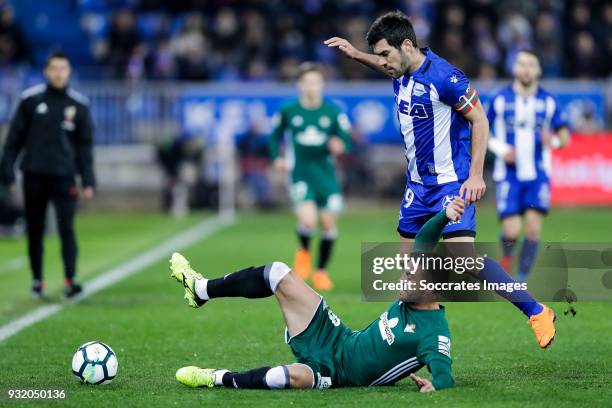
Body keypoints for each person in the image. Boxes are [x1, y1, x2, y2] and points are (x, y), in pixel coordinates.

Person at [325, 11, 556, 348]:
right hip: (416, 189)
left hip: (450, 184)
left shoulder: (446, 78)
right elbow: (385, 65)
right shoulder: (399, 71)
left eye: (386, 54)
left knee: (464, 259)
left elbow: (479, 119)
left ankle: (536, 311)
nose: (383, 63)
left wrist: (476, 175)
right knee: (411, 273)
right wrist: (358, 56)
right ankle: (421, 344)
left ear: (407, 45)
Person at [169, 198, 467, 391]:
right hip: (336, 337)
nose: (402, 280)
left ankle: (216, 377)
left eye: (410, 278)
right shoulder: (421, 277)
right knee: (278, 272)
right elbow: (426, 237)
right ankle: (200, 290)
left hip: (336, 373)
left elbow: (444, 375)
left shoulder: (434, 335)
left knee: (279, 379)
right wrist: (445, 214)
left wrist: (434, 387)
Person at [0, 51, 95, 298]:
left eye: (63, 68)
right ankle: (37, 281)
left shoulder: (79, 105)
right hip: (34, 174)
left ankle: (70, 279)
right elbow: (13, 141)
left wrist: (88, 180)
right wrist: (7, 173)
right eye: (54, 68)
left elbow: (85, 148)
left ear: (69, 71)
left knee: (67, 229)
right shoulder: (30, 100)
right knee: (35, 230)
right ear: (46, 71)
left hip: (64, 176)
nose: (58, 73)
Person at [487, 50, 570, 282]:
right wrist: (502, 150)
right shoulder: (499, 99)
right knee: (512, 231)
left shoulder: (549, 101)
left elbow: (565, 136)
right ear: (514, 69)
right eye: (521, 64)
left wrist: (552, 141)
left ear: (539, 70)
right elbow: (480, 130)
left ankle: (521, 280)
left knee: (533, 228)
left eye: (531, 64)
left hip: (538, 175)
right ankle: (506, 260)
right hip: (508, 174)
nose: (525, 69)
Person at [269, 62, 351, 291]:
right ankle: (304, 251)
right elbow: (273, 136)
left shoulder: (333, 112)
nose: (311, 87)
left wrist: (340, 145)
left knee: (328, 225)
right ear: (300, 85)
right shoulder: (288, 110)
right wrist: (277, 157)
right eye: (307, 83)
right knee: (307, 220)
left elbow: (346, 140)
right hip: (300, 174)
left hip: (326, 176)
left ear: (322, 85)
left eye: (316, 82)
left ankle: (321, 271)